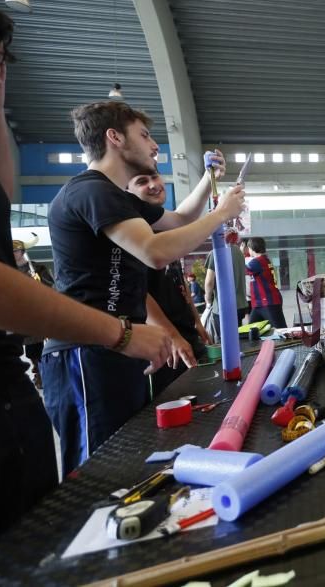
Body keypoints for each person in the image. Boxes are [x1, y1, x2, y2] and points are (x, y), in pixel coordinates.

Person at [0, 0, 172, 561]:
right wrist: (123, 332)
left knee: (37, 538)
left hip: (5, 383)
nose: (0, 74)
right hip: (74, 356)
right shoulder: (92, 193)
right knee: (91, 496)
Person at [41, 100, 245, 476]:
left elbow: (181, 219)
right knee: (97, 468)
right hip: (85, 352)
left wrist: (208, 180)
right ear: (114, 137)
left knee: (127, 458)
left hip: (121, 345)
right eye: (146, 136)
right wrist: (222, 214)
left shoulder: (118, 198)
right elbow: (155, 252)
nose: (154, 147)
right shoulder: (91, 192)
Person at [127, 171, 210, 392]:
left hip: (186, 333)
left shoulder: (163, 227)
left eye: (155, 177)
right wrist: (172, 336)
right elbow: (139, 292)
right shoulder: (133, 235)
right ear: (127, 192)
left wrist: (197, 320)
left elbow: (178, 279)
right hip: (165, 343)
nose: (154, 185)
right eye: (142, 181)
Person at [12, 233, 54, 388]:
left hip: (34, 313)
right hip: (13, 315)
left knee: (35, 348)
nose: (13, 254)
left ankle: (41, 373)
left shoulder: (36, 268)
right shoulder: (6, 269)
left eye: (15, 251)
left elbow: (50, 286)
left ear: (22, 252)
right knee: (14, 348)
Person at [204, 236, 249, 338]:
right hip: (240, 305)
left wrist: (208, 300)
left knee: (223, 343)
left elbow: (209, 282)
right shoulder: (239, 252)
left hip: (223, 308)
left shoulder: (216, 252)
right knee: (236, 340)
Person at [246, 236, 286, 328]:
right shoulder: (264, 260)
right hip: (259, 304)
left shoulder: (257, 262)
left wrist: (240, 254)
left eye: (248, 248)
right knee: (251, 332)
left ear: (252, 248)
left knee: (281, 330)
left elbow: (243, 270)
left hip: (268, 302)